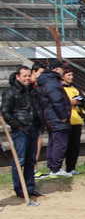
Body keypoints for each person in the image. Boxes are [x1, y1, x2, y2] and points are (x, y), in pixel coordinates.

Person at [2, 66, 44, 198]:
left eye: (28, 75)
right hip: (21, 131)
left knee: (31, 160)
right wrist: (18, 125)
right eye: (24, 76)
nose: (26, 78)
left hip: (33, 129)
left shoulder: (33, 91)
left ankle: (30, 187)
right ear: (17, 77)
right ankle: (19, 189)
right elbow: (5, 112)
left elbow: (37, 108)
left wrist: (39, 123)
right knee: (19, 160)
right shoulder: (10, 92)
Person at [38, 59, 73, 177]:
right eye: (63, 69)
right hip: (56, 118)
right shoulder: (52, 83)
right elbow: (57, 101)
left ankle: (54, 168)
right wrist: (63, 116)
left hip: (52, 117)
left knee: (54, 142)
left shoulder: (49, 81)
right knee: (60, 143)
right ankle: (56, 169)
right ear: (57, 69)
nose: (64, 71)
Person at [62, 67, 85, 175]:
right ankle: (58, 169)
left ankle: (71, 168)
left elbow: (83, 100)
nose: (71, 77)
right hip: (66, 121)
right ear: (63, 76)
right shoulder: (60, 88)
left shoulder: (75, 88)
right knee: (64, 146)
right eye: (68, 75)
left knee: (74, 146)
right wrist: (69, 102)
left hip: (76, 120)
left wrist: (79, 102)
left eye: (72, 75)